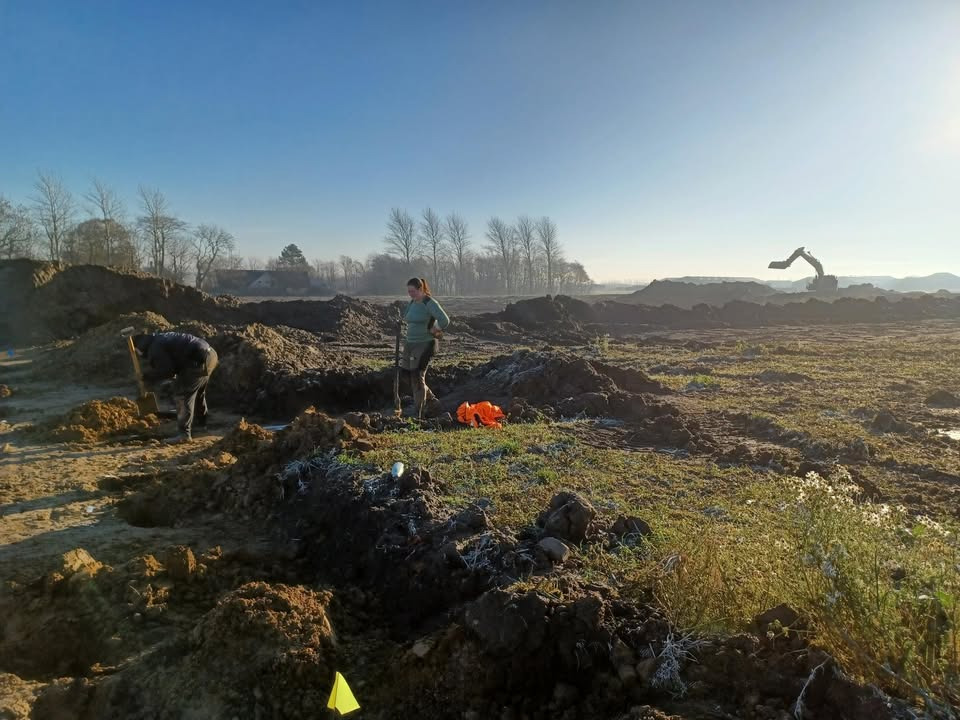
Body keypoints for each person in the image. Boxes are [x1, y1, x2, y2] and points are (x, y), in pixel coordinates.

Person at [132, 331, 219, 443]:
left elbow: (167, 370)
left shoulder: (154, 349)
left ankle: (184, 435)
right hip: (210, 355)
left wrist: (146, 376)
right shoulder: (159, 339)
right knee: (197, 394)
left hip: (197, 360)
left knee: (182, 395)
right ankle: (200, 427)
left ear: (139, 349)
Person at [402, 277, 450, 418]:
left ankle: (419, 412)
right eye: (409, 291)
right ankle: (432, 401)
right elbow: (408, 317)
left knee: (417, 376)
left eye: (413, 291)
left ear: (421, 289)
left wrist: (435, 329)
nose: (410, 294)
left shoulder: (429, 302)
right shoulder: (412, 302)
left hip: (425, 344)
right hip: (410, 343)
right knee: (408, 375)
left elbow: (444, 320)